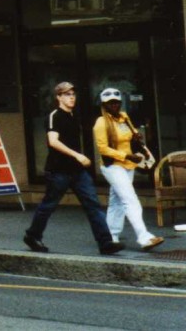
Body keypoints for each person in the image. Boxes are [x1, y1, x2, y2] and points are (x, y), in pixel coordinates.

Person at [23, 82, 125, 255]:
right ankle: (32, 236)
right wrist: (77, 155)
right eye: (66, 94)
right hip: (58, 171)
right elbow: (53, 141)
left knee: (93, 204)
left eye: (73, 94)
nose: (71, 97)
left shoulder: (73, 115)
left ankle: (105, 243)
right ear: (58, 97)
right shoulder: (55, 115)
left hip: (77, 171)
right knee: (49, 205)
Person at [93, 88, 163, 251]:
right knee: (130, 199)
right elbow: (103, 149)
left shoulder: (124, 117)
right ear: (104, 105)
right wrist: (126, 156)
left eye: (117, 102)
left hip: (128, 165)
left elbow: (131, 135)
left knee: (116, 201)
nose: (115, 105)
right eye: (110, 103)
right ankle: (144, 237)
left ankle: (111, 236)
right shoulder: (101, 123)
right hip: (113, 166)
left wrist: (136, 136)